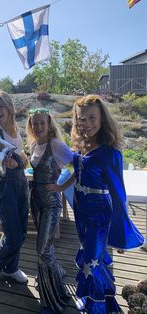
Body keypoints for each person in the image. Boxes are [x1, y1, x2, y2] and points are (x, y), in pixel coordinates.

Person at [47, 95, 144, 313]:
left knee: (93, 259)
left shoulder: (110, 152)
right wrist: (62, 188)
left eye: (92, 118)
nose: (86, 124)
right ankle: (104, 294)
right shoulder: (82, 144)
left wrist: (120, 234)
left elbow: (120, 195)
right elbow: (78, 170)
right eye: (82, 119)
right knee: (95, 256)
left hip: (100, 213)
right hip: (81, 211)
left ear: (102, 119)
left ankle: (98, 305)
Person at [26, 108, 74, 314]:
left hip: (51, 203)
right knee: (46, 247)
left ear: (49, 124)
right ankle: (51, 277)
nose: (37, 127)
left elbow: (77, 166)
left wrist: (62, 187)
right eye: (34, 123)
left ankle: (52, 297)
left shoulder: (56, 145)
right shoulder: (34, 145)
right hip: (35, 202)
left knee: (43, 250)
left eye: (41, 123)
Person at [0, 90, 29, 286]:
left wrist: (22, 158)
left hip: (20, 183)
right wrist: (5, 163)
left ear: (9, 108)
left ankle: (11, 269)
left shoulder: (15, 130)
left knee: (22, 232)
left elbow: (21, 155)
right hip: (4, 186)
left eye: (1, 106)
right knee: (14, 235)